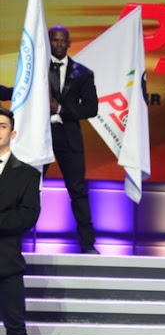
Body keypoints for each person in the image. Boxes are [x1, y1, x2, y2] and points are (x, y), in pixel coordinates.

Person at [1, 26, 99, 253]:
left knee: (77, 189)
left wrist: (61, 108)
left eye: (62, 41)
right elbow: (21, 92)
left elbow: (91, 108)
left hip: (68, 139)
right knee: (26, 187)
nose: (58, 44)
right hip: (39, 135)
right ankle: (14, 243)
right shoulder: (36, 69)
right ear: (49, 43)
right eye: (54, 40)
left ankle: (88, 244)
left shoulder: (83, 74)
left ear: (69, 43)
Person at [0, 107, 42, 335]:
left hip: (7, 264)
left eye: (2, 126)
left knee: (15, 326)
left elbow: (27, 216)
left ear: (12, 133)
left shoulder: (27, 174)